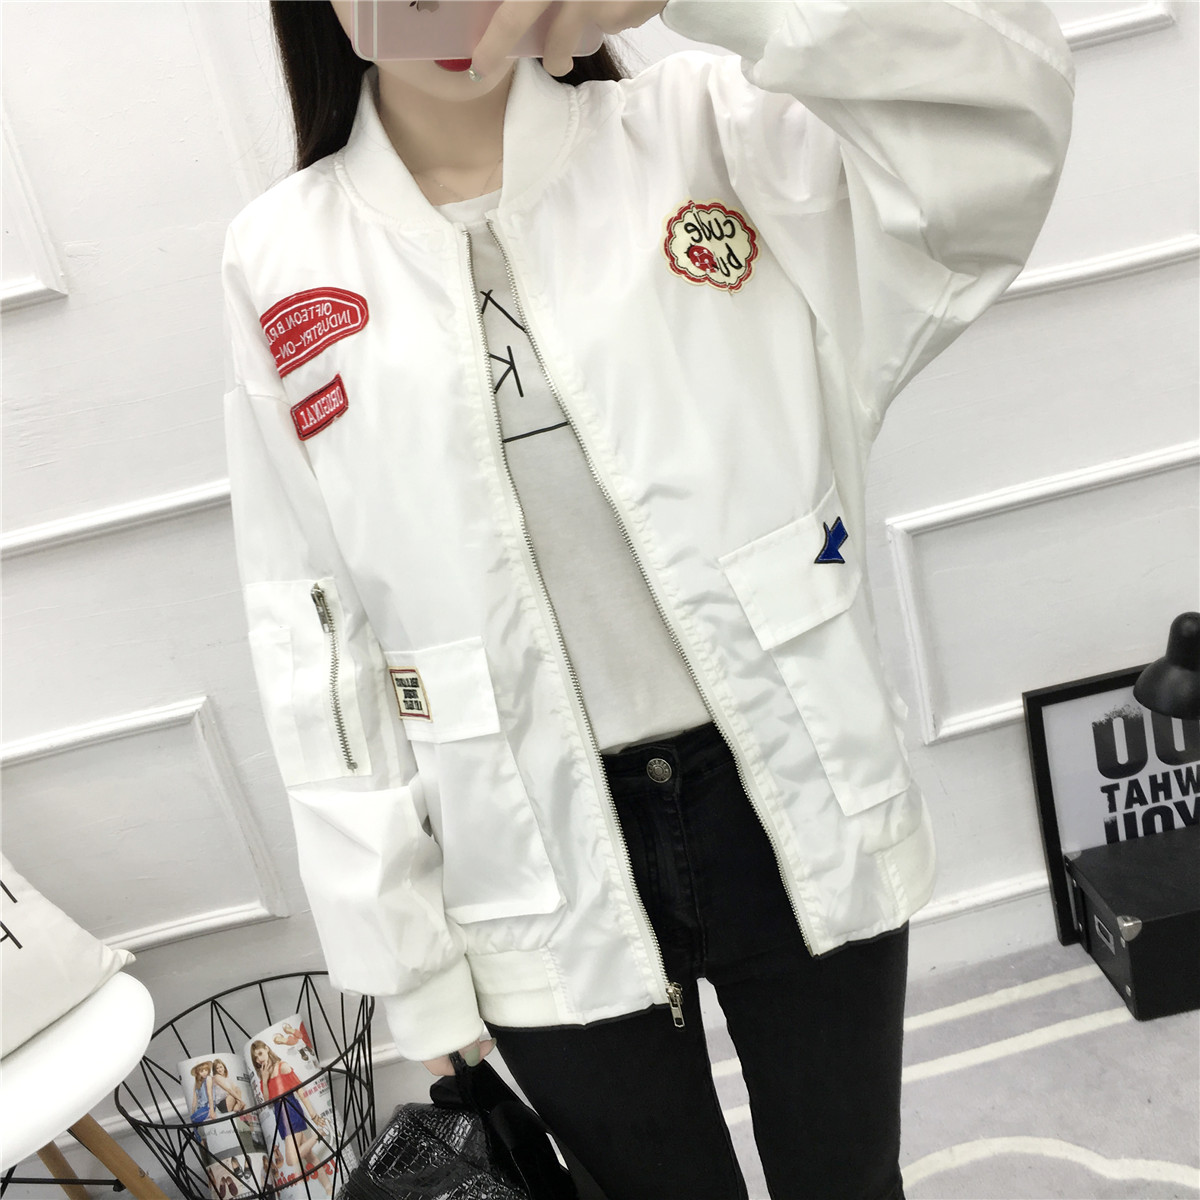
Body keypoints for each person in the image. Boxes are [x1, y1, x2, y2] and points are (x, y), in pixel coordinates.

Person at [221, 3, 1074, 1196]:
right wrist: (408, 965)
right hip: (523, 846)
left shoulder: (708, 129)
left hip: (789, 778)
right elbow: (314, 634)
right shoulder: (278, 257)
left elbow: (999, 105)